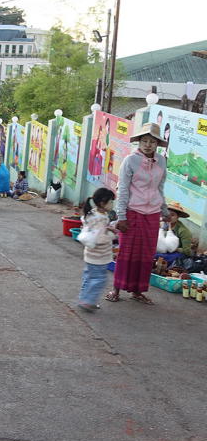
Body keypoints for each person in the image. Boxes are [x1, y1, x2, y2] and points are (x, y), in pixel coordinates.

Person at [106, 122, 170, 305]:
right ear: (139, 142)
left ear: (157, 144)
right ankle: (116, 289)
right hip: (132, 212)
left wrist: (164, 211)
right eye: (144, 140)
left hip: (153, 214)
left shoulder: (162, 161)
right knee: (126, 252)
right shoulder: (130, 160)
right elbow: (123, 188)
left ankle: (138, 291)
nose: (147, 144)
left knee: (146, 254)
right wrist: (122, 216)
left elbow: (160, 187)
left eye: (151, 141)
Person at [77, 188, 117, 311]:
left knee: (88, 277)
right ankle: (88, 301)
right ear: (102, 203)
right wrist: (112, 234)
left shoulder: (93, 213)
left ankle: (84, 299)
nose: (113, 204)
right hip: (99, 256)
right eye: (111, 202)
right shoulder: (101, 218)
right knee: (99, 279)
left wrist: (107, 228)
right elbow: (100, 238)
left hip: (90, 255)